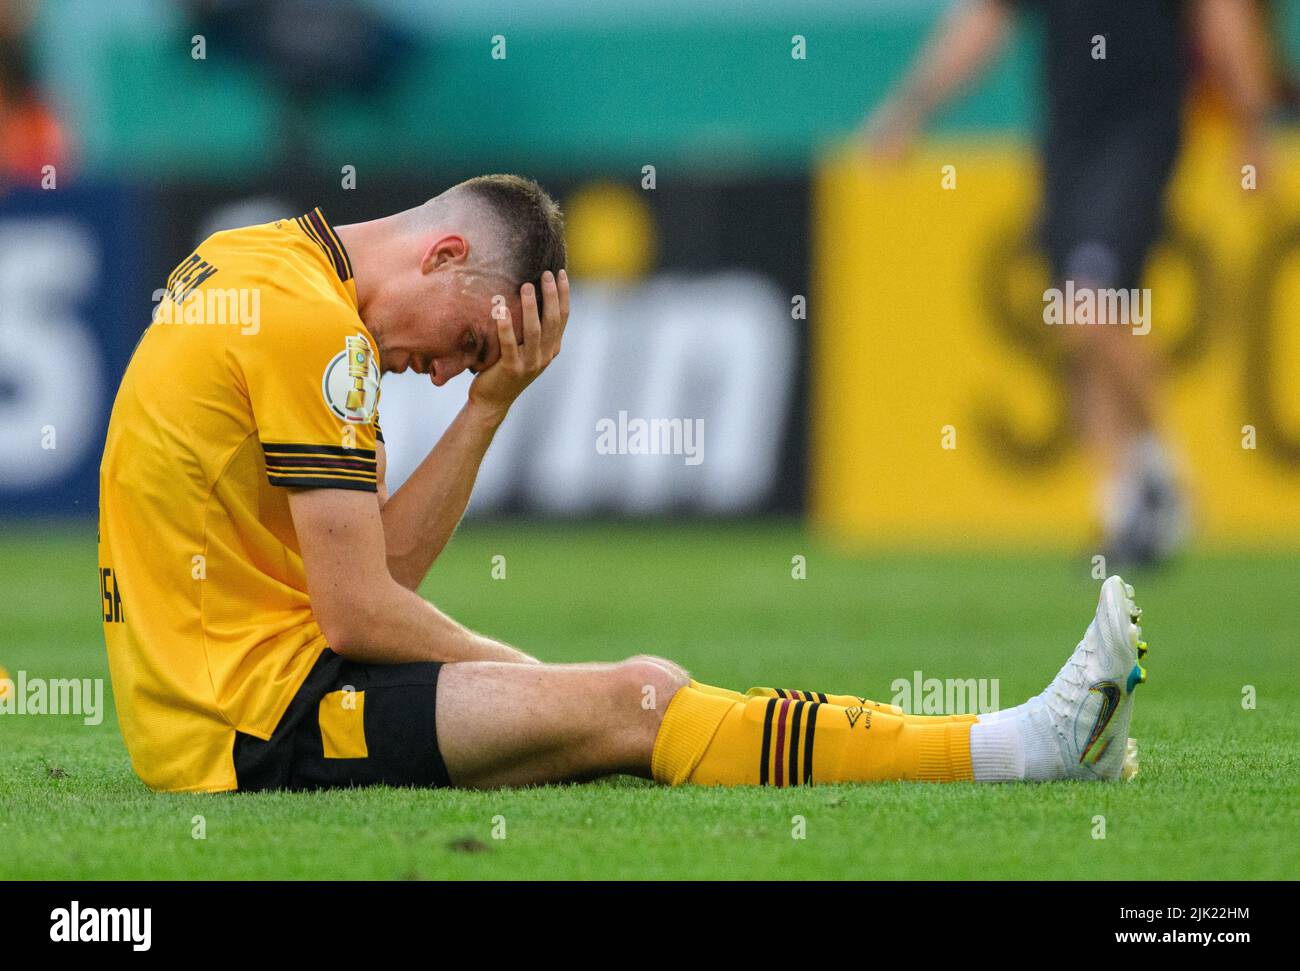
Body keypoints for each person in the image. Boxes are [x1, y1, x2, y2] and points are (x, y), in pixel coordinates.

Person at [99, 174, 1147, 794]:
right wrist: (524, 669)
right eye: (469, 344)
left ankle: (1016, 741)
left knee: (626, 697)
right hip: (260, 728)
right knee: (639, 697)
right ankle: (1018, 745)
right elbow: (360, 607)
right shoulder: (312, 330)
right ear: (446, 254)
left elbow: (376, 572)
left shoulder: (259, 264)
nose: (444, 370)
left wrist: (490, 407)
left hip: (227, 703)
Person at [862, 0, 1279, 566]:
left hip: (1140, 135)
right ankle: (1124, 508)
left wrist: (1251, 127)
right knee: (1076, 328)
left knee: (1089, 309)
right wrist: (912, 108)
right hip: (1066, 142)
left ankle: (1159, 478)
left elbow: (1223, 15)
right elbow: (984, 21)